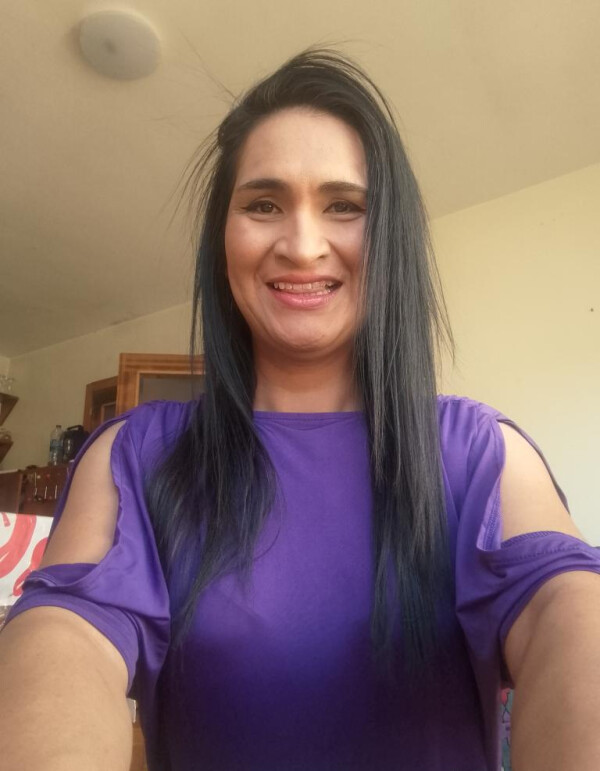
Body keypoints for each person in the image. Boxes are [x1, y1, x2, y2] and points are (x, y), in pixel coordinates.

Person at [1, 49, 599, 771]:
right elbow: (66, 634)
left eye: (344, 205)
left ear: (391, 237)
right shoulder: (133, 452)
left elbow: (568, 609)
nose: (303, 245)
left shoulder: (479, 450)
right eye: (263, 204)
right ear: (222, 239)